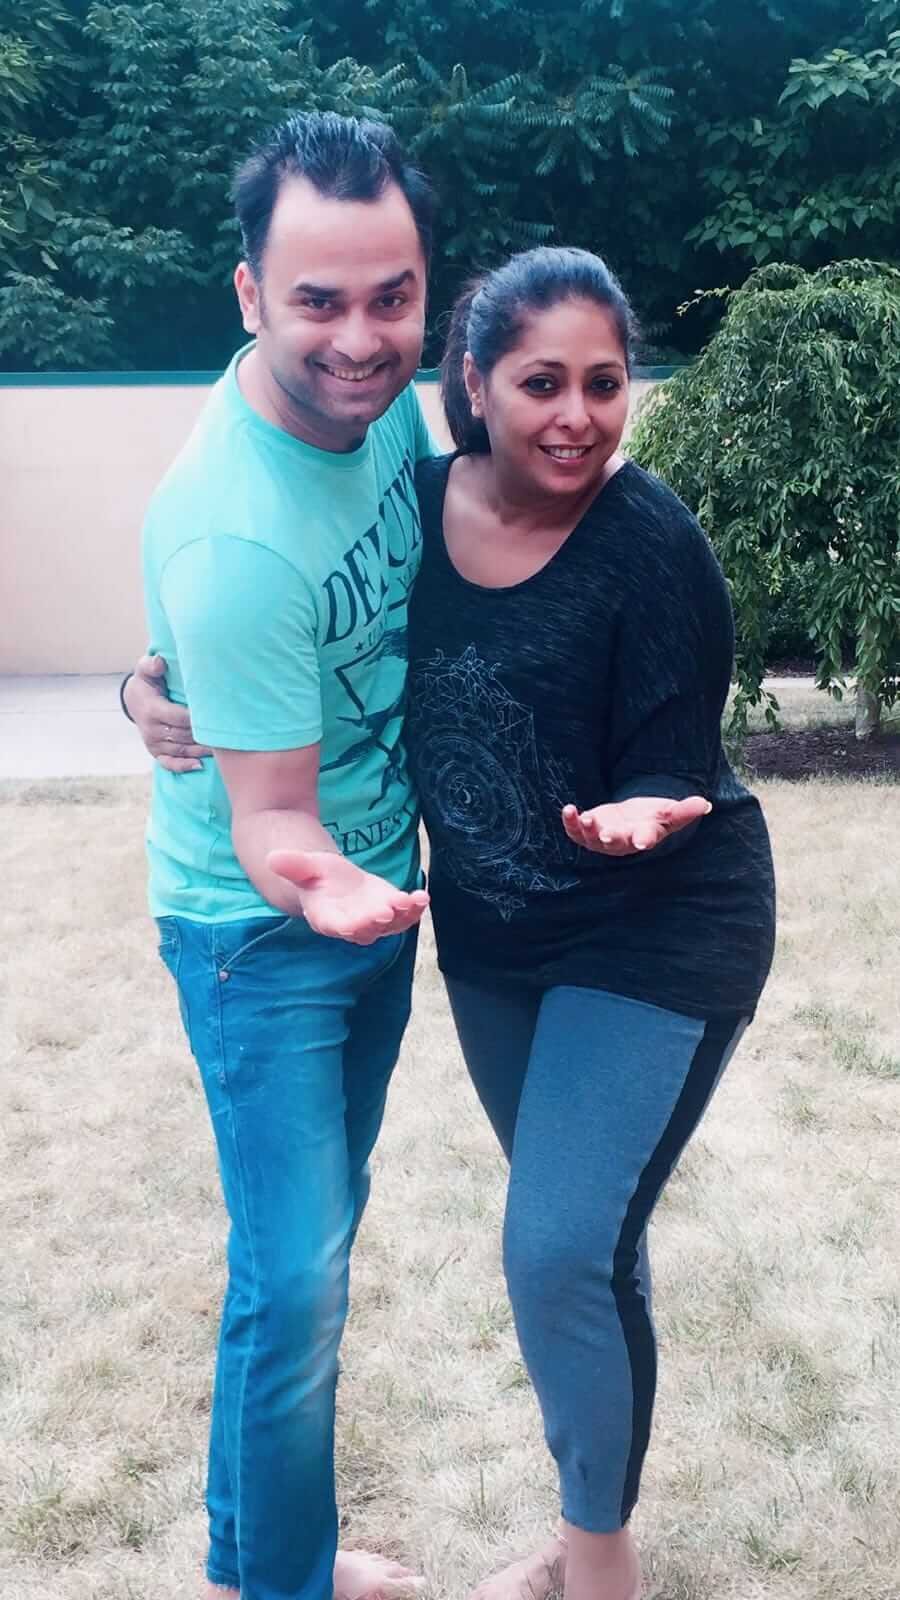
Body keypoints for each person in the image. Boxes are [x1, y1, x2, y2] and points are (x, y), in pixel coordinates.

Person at [129, 248, 775, 1600]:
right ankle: (570, 1532)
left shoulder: (653, 544)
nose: (578, 416)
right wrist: (146, 691)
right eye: (542, 383)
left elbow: (676, 751)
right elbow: (281, 628)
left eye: (606, 382)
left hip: (657, 932)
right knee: (584, 1248)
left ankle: (597, 1568)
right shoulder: (413, 508)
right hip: (498, 944)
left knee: (557, 1251)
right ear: (471, 384)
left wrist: (647, 808)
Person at [130, 110, 439, 1600]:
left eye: (393, 296)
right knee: (297, 1281)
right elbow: (269, 820)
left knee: (302, 1261)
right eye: (318, 300)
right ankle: (278, 1583)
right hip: (265, 935)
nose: (361, 340)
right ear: (250, 293)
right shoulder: (234, 535)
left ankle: (261, 1560)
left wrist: (148, 677)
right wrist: (323, 879)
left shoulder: (394, 412)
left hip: (378, 899)